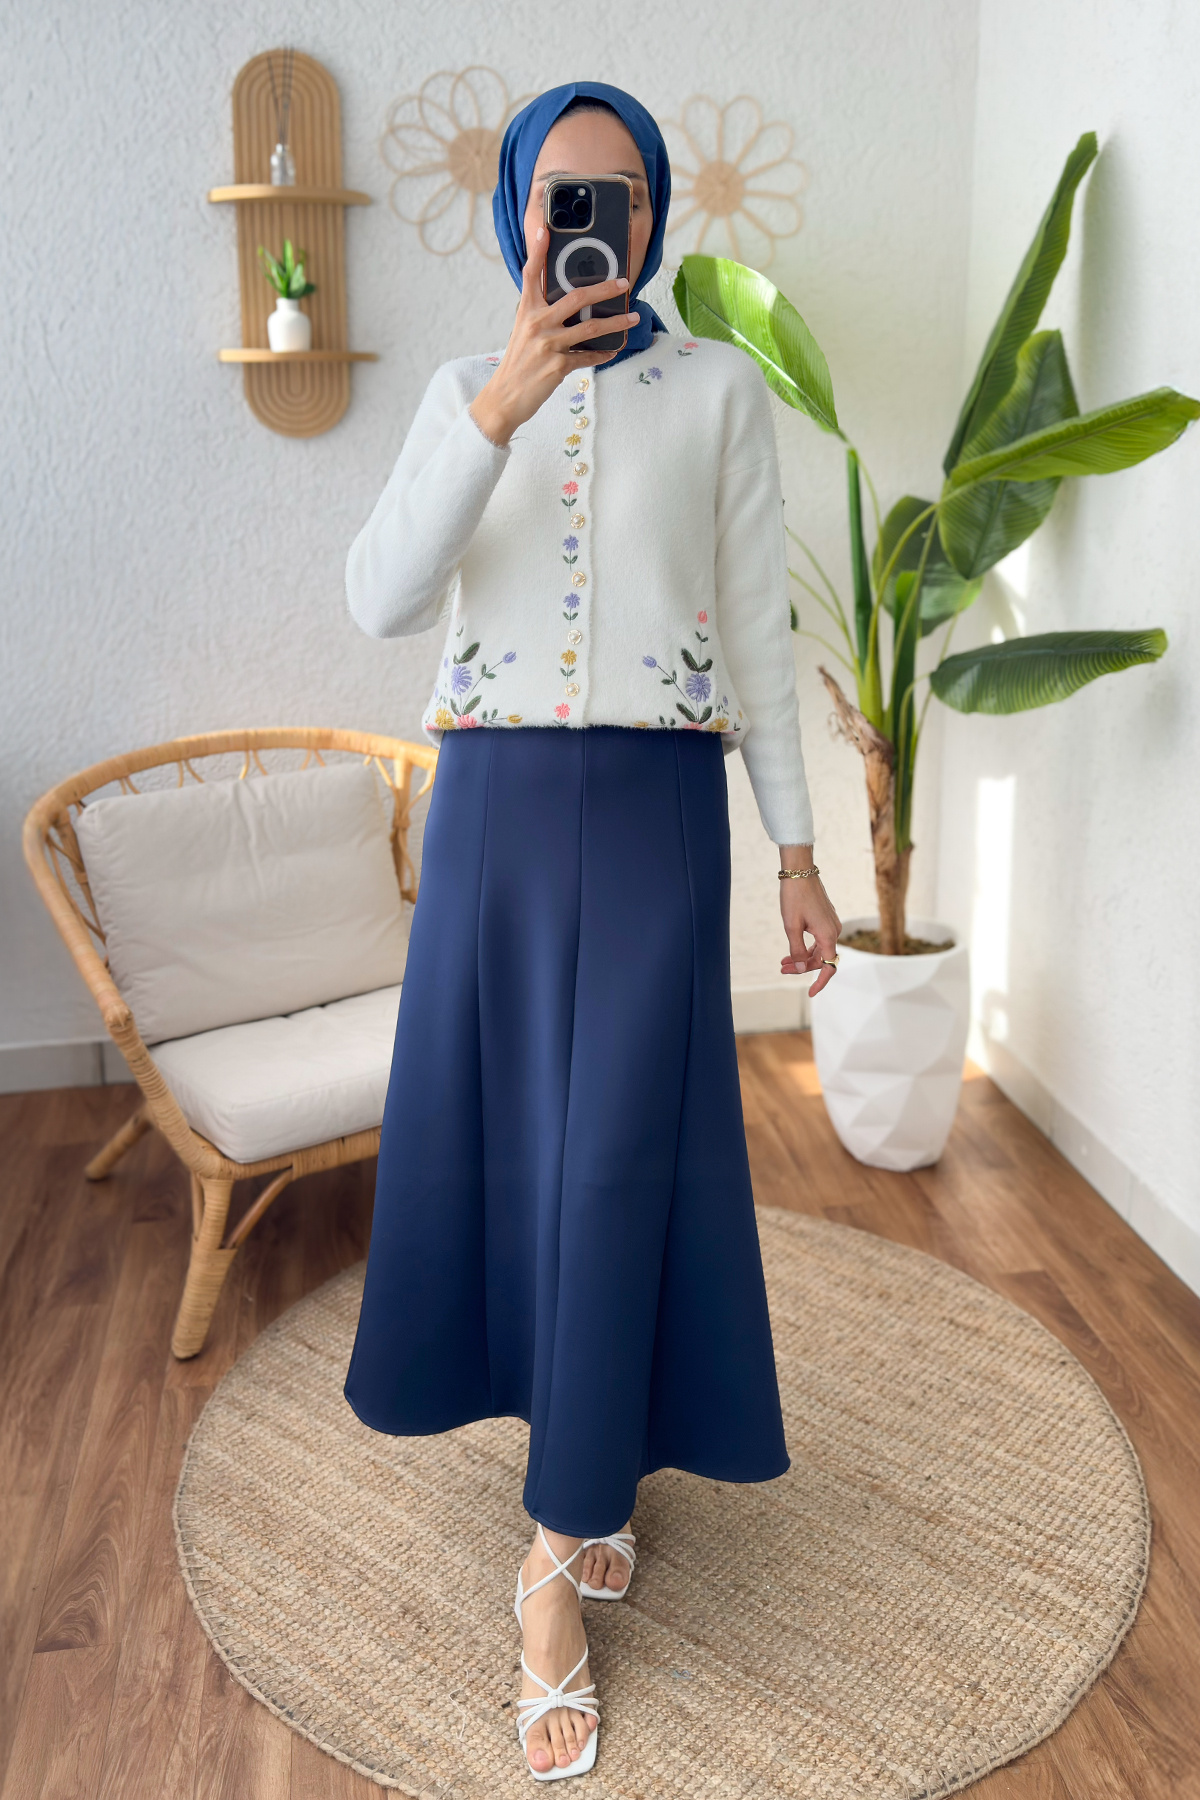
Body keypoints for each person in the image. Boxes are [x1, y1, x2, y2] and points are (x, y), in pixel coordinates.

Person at [341, 79, 841, 1782]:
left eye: (616, 194)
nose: (588, 220)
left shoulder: (720, 395)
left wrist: (799, 852)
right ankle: (578, 1477)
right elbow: (379, 597)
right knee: (513, 1153)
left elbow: (758, 638)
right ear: (514, 211)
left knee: (624, 1156)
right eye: (560, 192)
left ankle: (555, 1556)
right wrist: (499, 406)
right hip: (490, 812)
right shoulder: (457, 394)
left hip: (653, 819)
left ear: (654, 213)